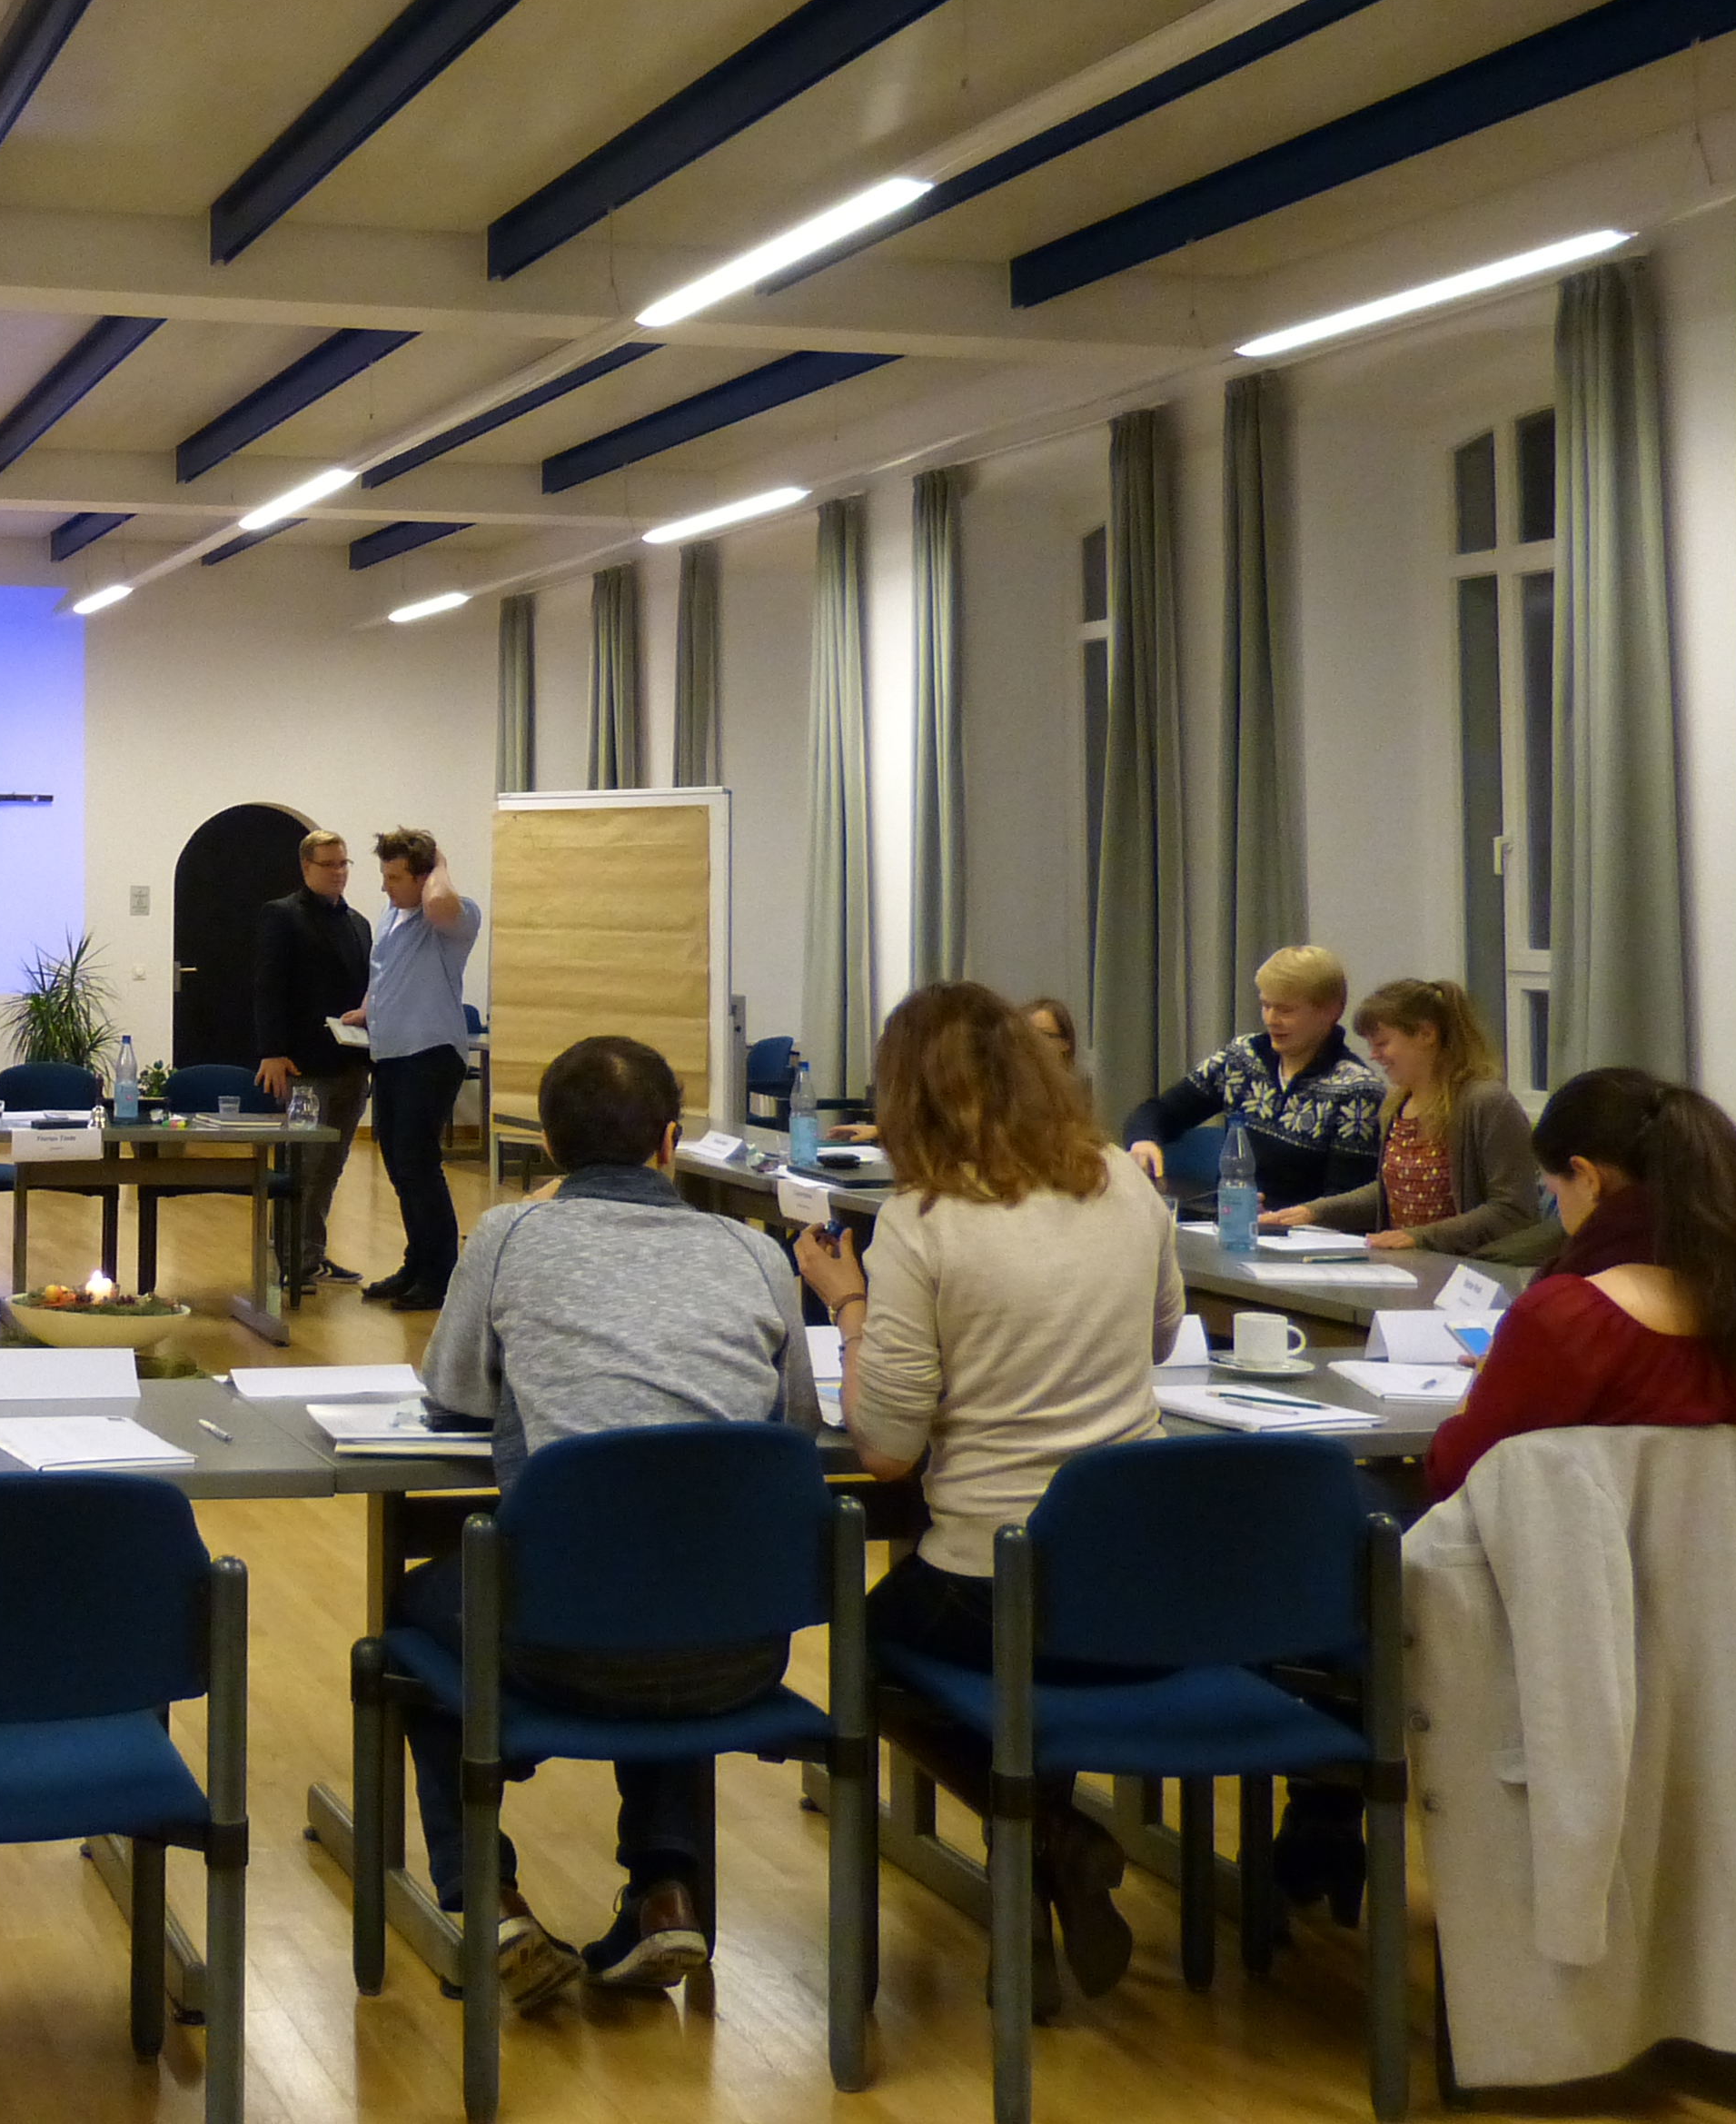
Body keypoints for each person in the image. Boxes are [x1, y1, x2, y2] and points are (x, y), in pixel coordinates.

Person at [408, 1034, 821, 2005]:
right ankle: (666, 1891)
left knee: (412, 1628)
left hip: (558, 1644)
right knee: (672, 1580)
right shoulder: (756, 1253)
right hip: (738, 1646)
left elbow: (453, 1394)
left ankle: (488, 1898)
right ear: (670, 1142)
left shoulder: (509, 1234)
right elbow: (792, 1426)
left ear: (550, 1147)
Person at [792, 981, 1182, 2000]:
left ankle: (1048, 1833)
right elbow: (1160, 1339)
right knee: (1028, 1657)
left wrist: (846, 1304)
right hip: (1139, 1581)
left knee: (864, 1649)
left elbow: (885, 1450)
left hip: (995, 1577)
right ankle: (1046, 1857)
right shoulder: (1122, 1180)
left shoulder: (922, 1219)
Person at [1423, 1067, 1736, 1506]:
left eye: (1553, 1190)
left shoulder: (1565, 1320)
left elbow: (1453, 1474)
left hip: (1588, 1553)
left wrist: (1488, 1373)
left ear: (1587, 1177)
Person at [1278, 978, 1551, 1263]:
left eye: (1383, 1043)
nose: (1374, 1055)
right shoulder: (1397, 1104)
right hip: (1407, 1268)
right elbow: (1391, 1191)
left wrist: (1419, 1237)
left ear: (1426, 1034)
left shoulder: (1487, 1103)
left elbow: (1513, 1210)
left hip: (1469, 1273)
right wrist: (1314, 1212)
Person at [1120, 944, 1385, 1210]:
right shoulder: (1242, 1058)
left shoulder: (1356, 1091)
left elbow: (1345, 1207)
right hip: (1228, 1219)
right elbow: (1160, 1111)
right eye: (1265, 1006)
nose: (1271, 1019)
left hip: (1296, 1230)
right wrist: (1144, 1139)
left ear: (1330, 1012)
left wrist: (1274, 1216)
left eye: (1285, 1010)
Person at [360, 827, 483, 1309]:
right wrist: (367, 1008)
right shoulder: (391, 914)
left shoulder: (454, 915)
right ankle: (416, 1263)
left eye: (395, 877)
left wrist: (440, 865)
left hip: (430, 1053)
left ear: (424, 877)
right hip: (391, 1054)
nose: (385, 886)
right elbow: (383, 971)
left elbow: (438, 903)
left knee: (418, 1163)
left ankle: (440, 1274)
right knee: (398, 1164)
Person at [252, 828, 372, 1290]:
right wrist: (272, 1051)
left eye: (344, 864)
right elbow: (268, 986)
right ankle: (289, 1260)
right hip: (303, 1066)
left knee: (332, 1167)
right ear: (306, 867)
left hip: (351, 1063)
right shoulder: (282, 915)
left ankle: (311, 1254)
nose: (339, 872)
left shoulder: (359, 923)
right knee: (302, 1166)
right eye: (329, 864)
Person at [1021, 997, 1092, 1119]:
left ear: (1065, 1043)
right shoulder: (1007, 1088)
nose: (1033, 1043)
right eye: (1027, 1035)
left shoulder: (1075, 1094)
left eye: (1043, 1034)